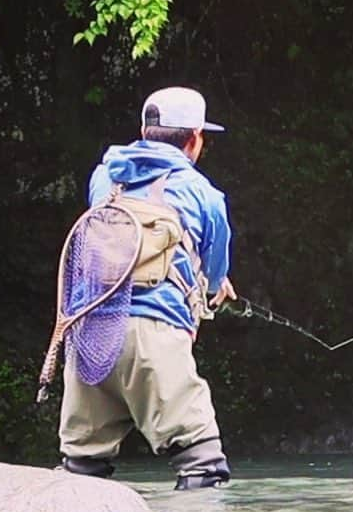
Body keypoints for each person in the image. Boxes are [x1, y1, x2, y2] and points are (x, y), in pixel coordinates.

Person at [58, 86, 236, 489]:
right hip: (153, 336)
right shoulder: (202, 193)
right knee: (202, 465)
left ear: (142, 129)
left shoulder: (104, 177)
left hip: (90, 336)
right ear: (195, 140)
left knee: (83, 467)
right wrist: (216, 282)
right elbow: (213, 266)